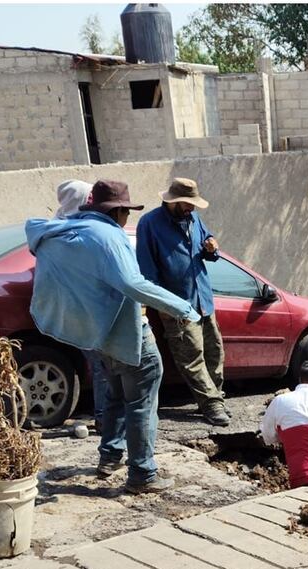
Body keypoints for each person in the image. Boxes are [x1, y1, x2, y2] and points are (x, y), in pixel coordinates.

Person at [27, 179, 202, 494]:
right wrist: (183, 308)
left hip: (95, 335)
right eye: (126, 212)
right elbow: (132, 284)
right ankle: (143, 474)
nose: (127, 218)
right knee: (141, 400)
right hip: (127, 334)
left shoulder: (63, 230)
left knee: (116, 395)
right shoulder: (109, 236)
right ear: (119, 210)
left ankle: (110, 457)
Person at [136, 178, 230, 427]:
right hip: (178, 304)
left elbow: (207, 245)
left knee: (215, 352)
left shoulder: (193, 218)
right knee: (191, 356)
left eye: (194, 203)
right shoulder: (150, 224)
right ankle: (211, 405)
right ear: (173, 201)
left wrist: (212, 248)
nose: (192, 208)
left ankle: (217, 397)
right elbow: (147, 270)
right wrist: (164, 305)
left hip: (203, 300)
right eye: (188, 203)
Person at [53, 180, 108, 430]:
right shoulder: (75, 231)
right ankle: (106, 419)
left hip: (70, 307)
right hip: (83, 308)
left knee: (101, 364)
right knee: (102, 365)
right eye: (89, 198)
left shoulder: (56, 227)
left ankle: (106, 416)